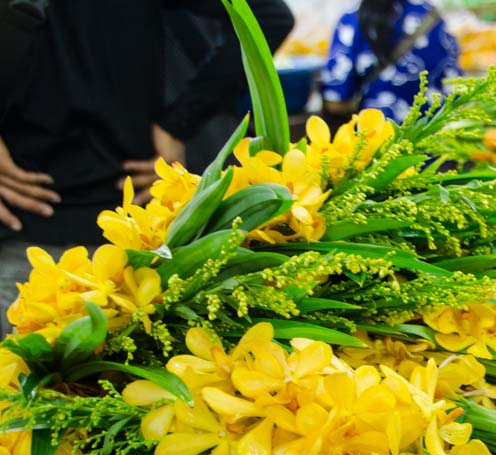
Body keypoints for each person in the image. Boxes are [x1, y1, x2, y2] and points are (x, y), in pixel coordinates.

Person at [0, 0, 293, 331]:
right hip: (133, 233)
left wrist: (179, 123)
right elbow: (268, 15)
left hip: (33, 231)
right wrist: (179, 123)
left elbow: (269, 15)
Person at [321, 0, 461, 124]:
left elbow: (336, 98)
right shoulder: (433, 17)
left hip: (379, 138)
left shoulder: (352, 21)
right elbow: (453, 79)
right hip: (436, 135)